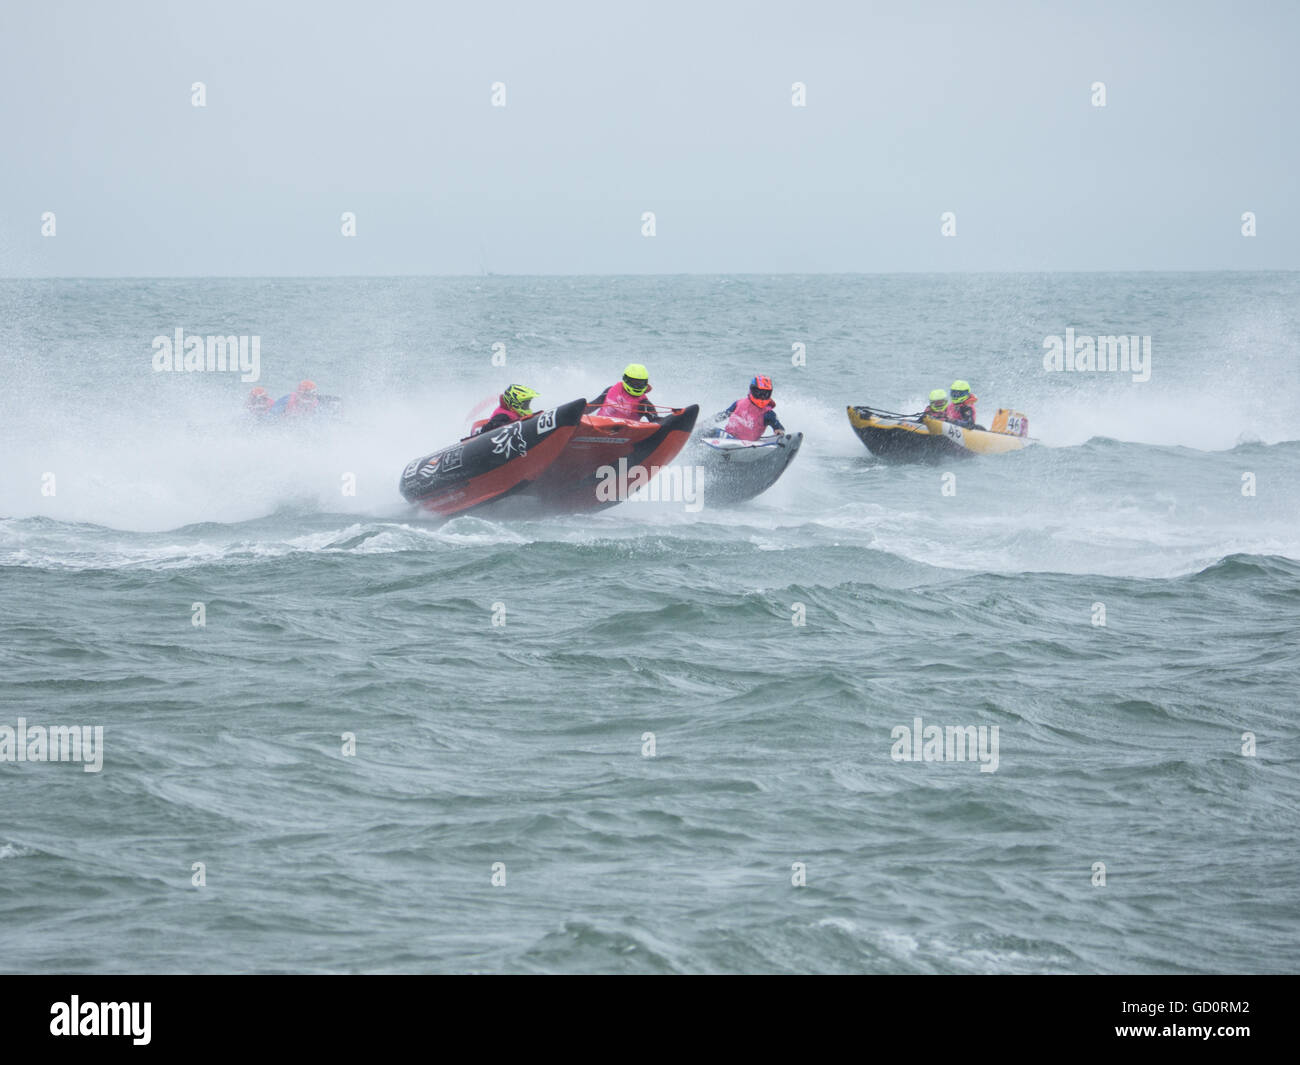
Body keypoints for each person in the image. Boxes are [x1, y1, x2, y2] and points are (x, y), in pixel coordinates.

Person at [716, 375, 785, 440]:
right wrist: (709, 422)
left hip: (749, 444)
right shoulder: (739, 403)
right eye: (759, 393)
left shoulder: (768, 414)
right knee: (709, 430)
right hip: (728, 437)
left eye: (766, 394)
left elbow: (779, 428)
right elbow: (723, 415)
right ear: (752, 390)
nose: (762, 397)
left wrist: (779, 432)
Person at [593, 363, 658, 420]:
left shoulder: (644, 404)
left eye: (640, 384)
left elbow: (656, 422)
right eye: (634, 383)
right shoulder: (610, 390)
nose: (637, 387)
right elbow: (592, 405)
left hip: (624, 432)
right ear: (625, 379)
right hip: (598, 427)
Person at [472, 384, 540, 435]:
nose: (527, 407)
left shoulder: (511, 411)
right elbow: (486, 429)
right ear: (512, 405)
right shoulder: (502, 415)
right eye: (525, 404)